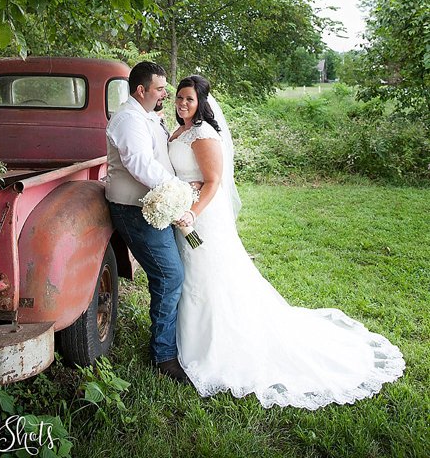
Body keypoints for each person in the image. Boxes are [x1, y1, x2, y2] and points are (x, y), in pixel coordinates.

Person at [168, 75, 405, 408]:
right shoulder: (177, 130)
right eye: (179, 98)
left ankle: (215, 345)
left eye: (189, 99)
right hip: (181, 209)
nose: (181, 104)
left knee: (208, 277)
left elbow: (213, 181)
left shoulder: (204, 134)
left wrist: (192, 212)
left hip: (201, 216)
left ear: (202, 103)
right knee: (189, 274)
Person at [105, 61, 188, 383]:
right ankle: (163, 354)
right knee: (169, 275)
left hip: (153, 204)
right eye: (160, 89)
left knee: (171, 272)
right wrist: (177, 189)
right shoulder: (127, 118)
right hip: (134, 209)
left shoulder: (143, 115)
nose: (165, 94)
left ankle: (169, 340)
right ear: (141, 90)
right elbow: (139, 163)